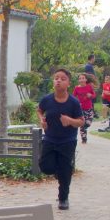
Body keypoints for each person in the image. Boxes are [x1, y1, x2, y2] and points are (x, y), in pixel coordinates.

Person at [37, 68, 84, 211]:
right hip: (50, 139)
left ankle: (63, 199)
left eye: (63, 79)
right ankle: (59, 171)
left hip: (67, 141)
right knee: (45, 167)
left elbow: (81, 121)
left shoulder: (73, 102)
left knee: (65, 171)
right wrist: (42, 120)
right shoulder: (47, 99)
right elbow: (39, 110)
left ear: (68, 83)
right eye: (56, 78)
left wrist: (70, 121)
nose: (58, 81)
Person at [72, 73, 96, 144]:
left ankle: (84, 128)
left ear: (86, 79)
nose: (81, 80)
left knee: (88, 123)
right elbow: (73, 97)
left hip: (89, 108)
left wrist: (90, 95)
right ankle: (84, 139)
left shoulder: (89, 87)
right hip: (81, 109)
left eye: (83, 78)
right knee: (82, 124)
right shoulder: (77, 88)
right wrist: (76, 103)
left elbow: (94, 95)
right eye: (80, 78)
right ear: (78, 80)